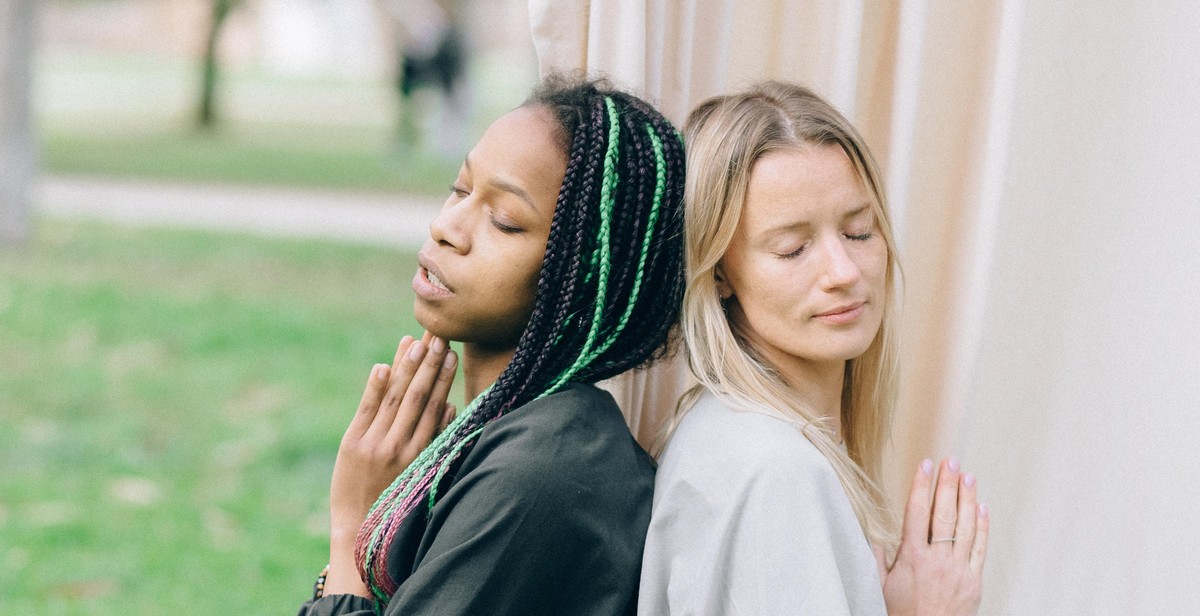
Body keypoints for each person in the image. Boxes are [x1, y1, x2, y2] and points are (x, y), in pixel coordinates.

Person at [297, 75, 686, 615]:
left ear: (584, 275)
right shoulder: (523, 430)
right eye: (460, 189)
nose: (445, 227)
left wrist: (351, 532)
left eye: (504, 221)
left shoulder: (544, 470)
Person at [638, 81, 989, 615]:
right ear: (720, 274)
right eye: (793, 248)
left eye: (859, 232)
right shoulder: (776, 473)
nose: (844, 273)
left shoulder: (750, 439)